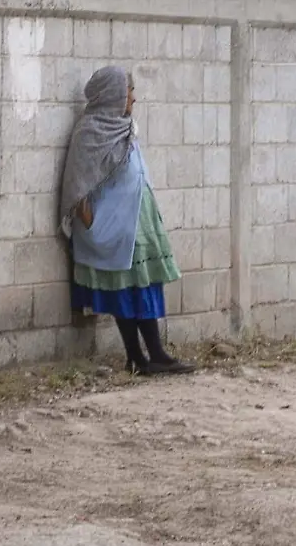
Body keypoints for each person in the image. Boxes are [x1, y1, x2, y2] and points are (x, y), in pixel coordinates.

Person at [60, 66, 195, 375]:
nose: (133, 99)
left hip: (139, 223)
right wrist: (92, 223)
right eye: (128, 92)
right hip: (112, 227)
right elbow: (77, 184)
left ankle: (155, 354)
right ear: (112, 96)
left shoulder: (125, 128)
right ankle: (137, 357)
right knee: (123, 290)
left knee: (143, 286)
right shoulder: (90, 133)